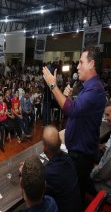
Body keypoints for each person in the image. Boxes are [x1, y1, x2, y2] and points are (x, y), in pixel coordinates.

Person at [42, 46, 106, 202]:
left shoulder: (95, 90)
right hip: (77, 153)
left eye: (81, 62)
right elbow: (76, 113)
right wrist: (68, 99)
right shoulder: (87, 88)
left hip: (81, 157)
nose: (77, 66)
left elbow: (71, 111)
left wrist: (53, 86)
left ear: (91, 64)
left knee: (74, 196)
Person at [42, 125, 81, 212]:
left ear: (44, 149)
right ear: (60, 142)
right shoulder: (68, 158)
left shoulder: (48, 173)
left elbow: (37, 197)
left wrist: (25, 171)